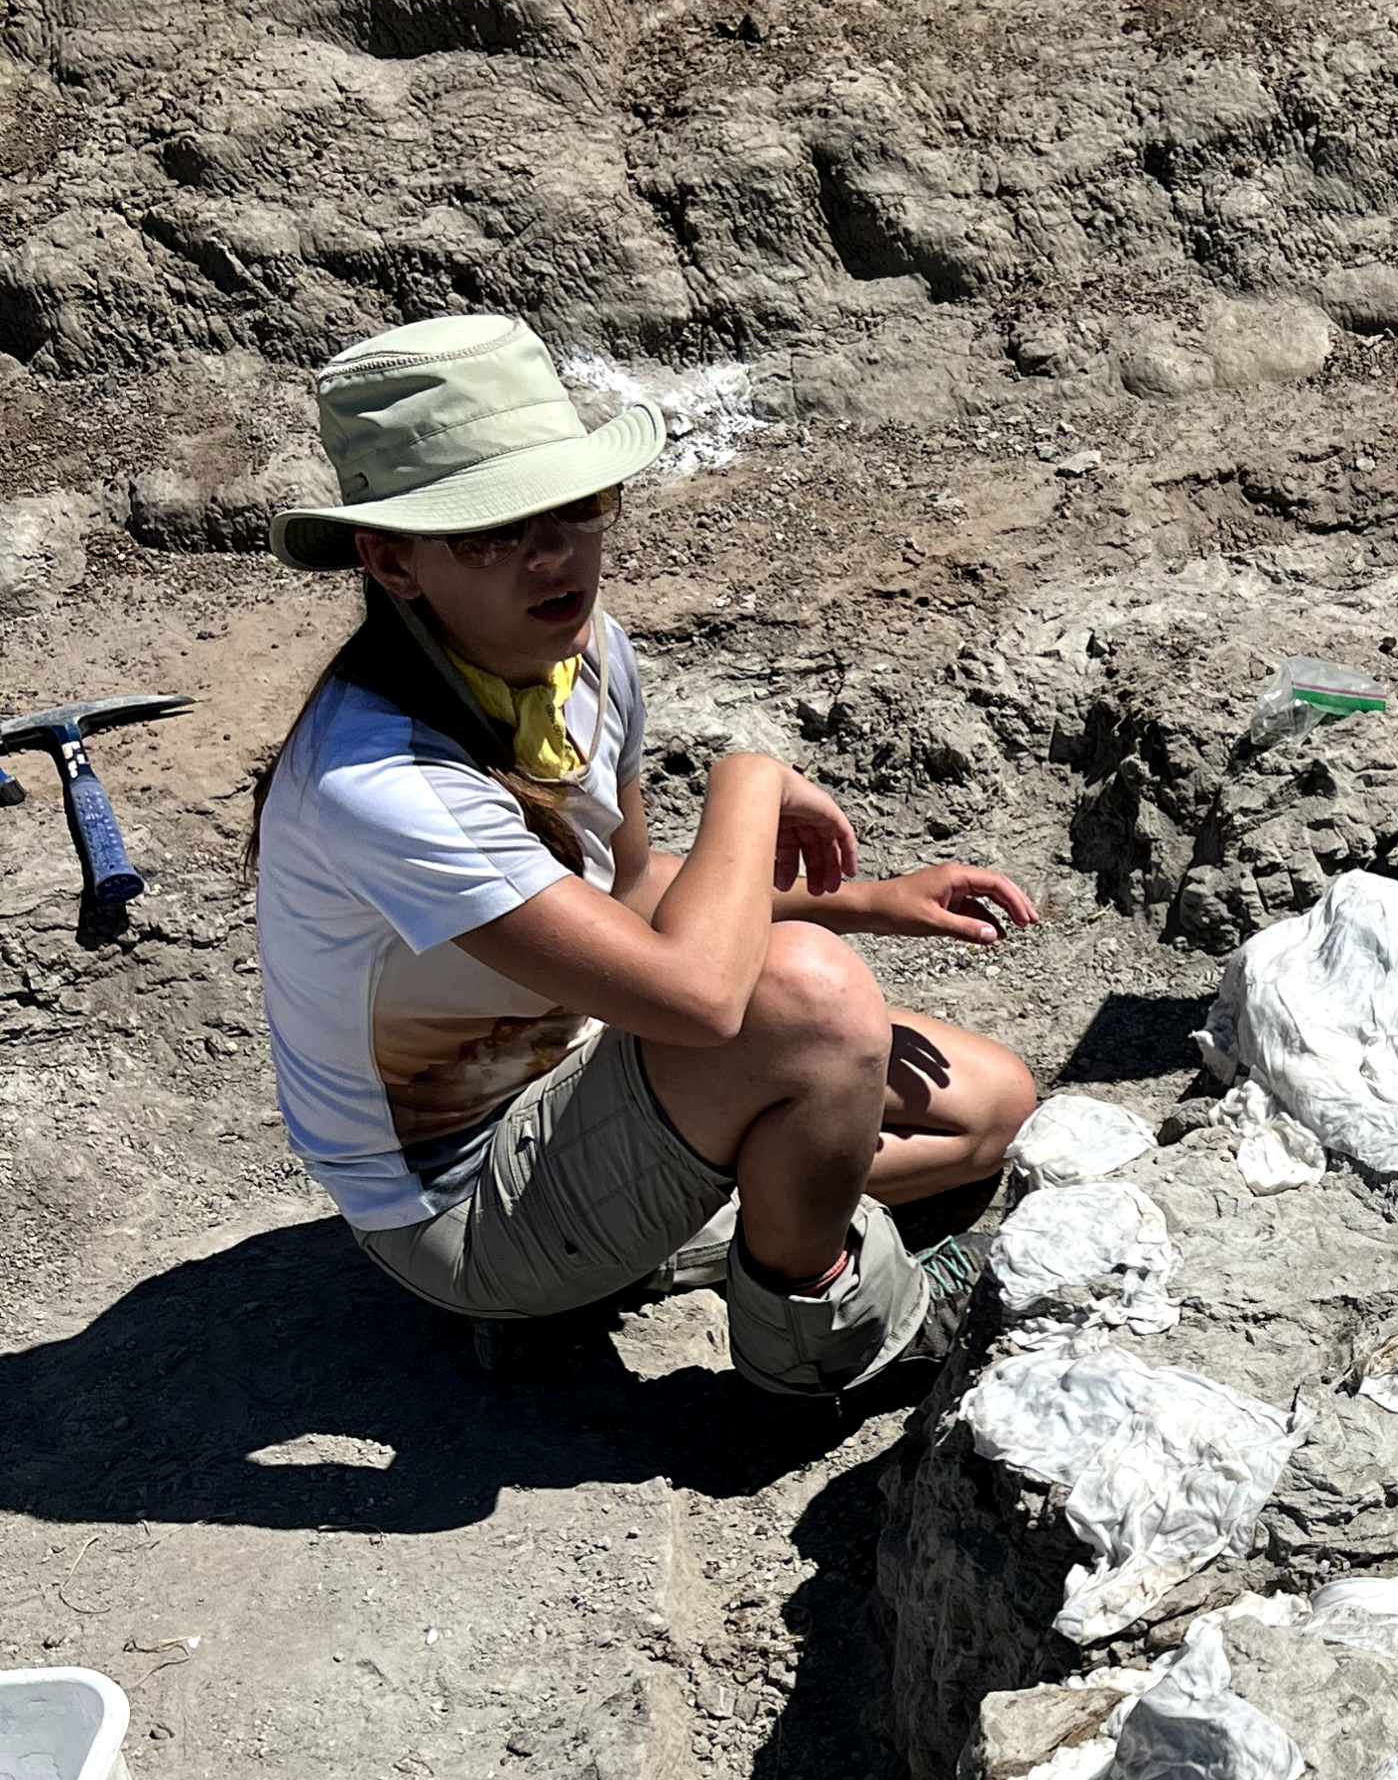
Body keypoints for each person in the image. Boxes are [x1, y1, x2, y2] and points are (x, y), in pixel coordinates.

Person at [253, 314, 1042, 1399]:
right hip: (462, 1205)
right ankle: (818, 1348)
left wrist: (866, 899)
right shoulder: (382, 784)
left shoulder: (578, 656)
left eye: (574, 508)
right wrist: (749, 780)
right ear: (392, 561)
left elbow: (625, 892)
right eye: (490, 532)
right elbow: (702, 1001)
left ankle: (658, 1245)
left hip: (576, 1062)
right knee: (809, 1008)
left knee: (991, 1108)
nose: (553, 555)